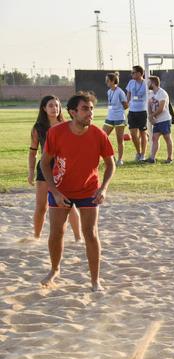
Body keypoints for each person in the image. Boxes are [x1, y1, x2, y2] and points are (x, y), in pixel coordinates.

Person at [39, 92, 116, 292]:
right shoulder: (56, 133)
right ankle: (54, 269)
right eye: (85, 109)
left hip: (89, 190)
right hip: (61, 189)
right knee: (57, 232)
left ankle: (95, 281)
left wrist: (104, 188)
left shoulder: (99, 134)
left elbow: (110, 165)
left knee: (90, 233)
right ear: (73, 112)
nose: (90, 113)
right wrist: (54, 191)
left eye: (91, 108)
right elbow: (44, 164)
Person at [28, 95, 81, 241]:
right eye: (51, 105)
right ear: (44, 108)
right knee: (41, 207)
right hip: (44, 168)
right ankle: (36, 237)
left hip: (63, 168)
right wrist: (31, 172)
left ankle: (78, 238)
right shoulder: (38, 128)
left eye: (57, 105)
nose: (54, 108)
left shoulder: (68, 125)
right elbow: (32, 152)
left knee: (68, 205)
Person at [103, 72, 129, 166]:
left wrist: (118, 110)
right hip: (109, 117)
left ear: (113, 81)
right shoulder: (109, 91)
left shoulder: (120, 92)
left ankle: (120, 160)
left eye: (108, 81)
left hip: (119, 118)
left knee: (119, 140)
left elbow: (126, 105)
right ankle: (111, 156)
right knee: (103, 137)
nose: (106, 82)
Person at [146, 76, 174, 164]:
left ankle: (170, 158)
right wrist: (151, 116)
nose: (147, 84)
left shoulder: (162, 93)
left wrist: (151, 116)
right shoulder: (151, 93)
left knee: (167, 138)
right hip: (157, 121)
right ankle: (152, 158)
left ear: (153, 83)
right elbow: (149, 105)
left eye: (149, 82)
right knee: (154, 138)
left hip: (164, 120)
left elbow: (161, 108)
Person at [126, 65, 149, 162]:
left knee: (143, 133)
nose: (132, 74)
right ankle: (138, 152)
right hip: (132, 111)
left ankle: (143, 154)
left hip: (142, 111)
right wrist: (127, 104)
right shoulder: (131, 82)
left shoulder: (146, 83)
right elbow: (128, 95)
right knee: (133, 133)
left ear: (140, 73)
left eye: (133, 72)